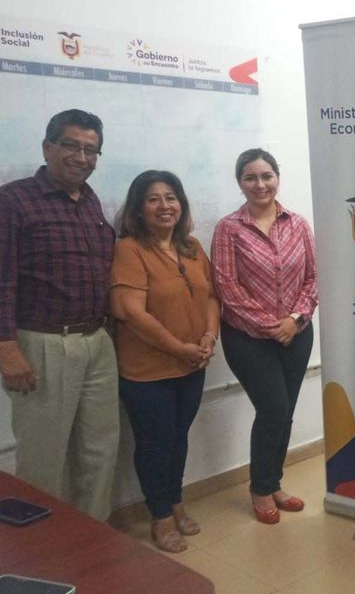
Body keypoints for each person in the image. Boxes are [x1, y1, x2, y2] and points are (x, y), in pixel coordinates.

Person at [0, 109, 119, 520]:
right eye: (71, 145)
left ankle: (94, 537)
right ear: (48, 147)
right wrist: (6, 349)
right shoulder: (13, 201)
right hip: (44, 345)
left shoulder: (89, 200)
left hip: (97, 342)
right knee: (43, 458)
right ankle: (45, 549)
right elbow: (2, 279)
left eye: (91, 150)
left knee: (99, 450)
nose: (81, 157)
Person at [111, 171, 220, 552]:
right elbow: (131, 312)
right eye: (153, 199)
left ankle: (175, 502)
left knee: (178, 438)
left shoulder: (191, 246)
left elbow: (211, 296)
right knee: (155, 444)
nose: (164, 206)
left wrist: (208, 337)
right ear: (139, 208)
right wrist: (180, 348)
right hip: (147, 372)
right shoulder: (129, 249)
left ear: (181, 204)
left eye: (171, 197)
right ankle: (160, 516)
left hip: (192, 364)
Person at [211, 148, 318, 525]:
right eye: (251, 177)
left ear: (277, 178)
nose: (260, 184)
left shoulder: (298, 224)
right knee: (272, 408)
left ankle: (274, 484)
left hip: (297, 333)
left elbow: (313, 277)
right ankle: (259, 487)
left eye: (267, 176)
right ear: (240, 183)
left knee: (285, 413)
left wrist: (295, 320)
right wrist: (273, 326)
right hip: (248, 339)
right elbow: (227, 287)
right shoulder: (229, 228)